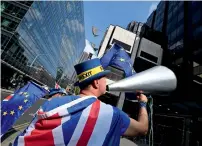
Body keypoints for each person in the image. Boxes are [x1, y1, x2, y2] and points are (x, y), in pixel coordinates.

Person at [13, 58, 148, 146]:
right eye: (104, 78)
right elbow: (142, 128)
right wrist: (143, 104)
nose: (106, 81)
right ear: (96, 82)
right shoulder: (112, 115)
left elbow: (29, 133)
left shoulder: (51, 103)